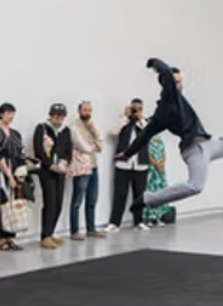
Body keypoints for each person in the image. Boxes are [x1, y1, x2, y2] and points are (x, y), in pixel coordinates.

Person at [120, 58, 223, 214]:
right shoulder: (170, 99)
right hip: (194, 149)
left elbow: (144, 136)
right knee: (196, 186)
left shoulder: (163, 111)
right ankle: (148, 199)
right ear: (167, 84)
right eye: (177, 82)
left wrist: (127, 153)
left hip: (206, 143)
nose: (181, 86)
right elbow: (165, 71)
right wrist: (153, 63)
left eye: (180, 81)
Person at [0, 103, 27, 251]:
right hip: (0, 172)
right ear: (1, 114)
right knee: (1, 204)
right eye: (8, 113)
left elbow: (21, 154)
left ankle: (11, 238)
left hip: (16, 171)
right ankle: (2, 239)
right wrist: (9, 176)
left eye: (12, 113)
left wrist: (20, 175)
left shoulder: (16, 134)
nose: (10, 116)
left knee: (14, 204)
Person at [34, 103, 73, 248]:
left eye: (61, 116)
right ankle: (45, 235)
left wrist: (64, 164)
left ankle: (51, 233)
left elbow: (68, 150)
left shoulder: (65, 131)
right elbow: (38, 150)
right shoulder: (42, 128)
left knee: (58, 204)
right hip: (47, 171)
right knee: (49, 203)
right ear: (51, 115)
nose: (59, 119)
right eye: (56, 116)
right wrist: (51, 165)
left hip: (60, 171)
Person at [110, 99, 150, 231]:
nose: (136, 111)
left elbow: (149, 132)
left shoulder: (144, 123)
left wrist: (140, 118)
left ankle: (139, 221)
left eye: (139, 109)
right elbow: (113, 132)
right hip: (123, 165)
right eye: (134, 108)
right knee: (119, 195)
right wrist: (125, 116)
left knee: (139, 195)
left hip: (140, 165)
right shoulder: (124, 122)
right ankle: (115, 223)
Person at [69, 101, 105, 241]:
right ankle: (74, 231)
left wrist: (94, 130)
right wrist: (93, 147)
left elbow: (101, 144)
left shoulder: (91, 126)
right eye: (84, 110)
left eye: (89, 110)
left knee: (92, 199)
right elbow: (83, 146)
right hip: (81, 167)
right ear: (79, 111)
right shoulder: (74, 127)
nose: (87, 113)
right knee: (77, 201)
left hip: (93, 165)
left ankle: (91, 229)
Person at [143, 132, 173, 227]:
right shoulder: (146, 139)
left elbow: (164, 153)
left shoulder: (159, 139)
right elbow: (147, 154)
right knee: (151, 191)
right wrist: (156, 164)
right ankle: (149, 218)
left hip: (160, 170)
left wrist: (161, 164)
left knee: (161, 192)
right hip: (151, 170)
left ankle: (158, 217)